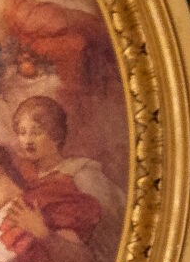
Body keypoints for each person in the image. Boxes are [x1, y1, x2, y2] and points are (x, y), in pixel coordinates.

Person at [9, 94, 122, 236]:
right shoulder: (23, 175)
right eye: (22, 133)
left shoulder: (80, 173)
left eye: (36, 132)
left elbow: (111, 223)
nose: (27, 140)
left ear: (56, 135)